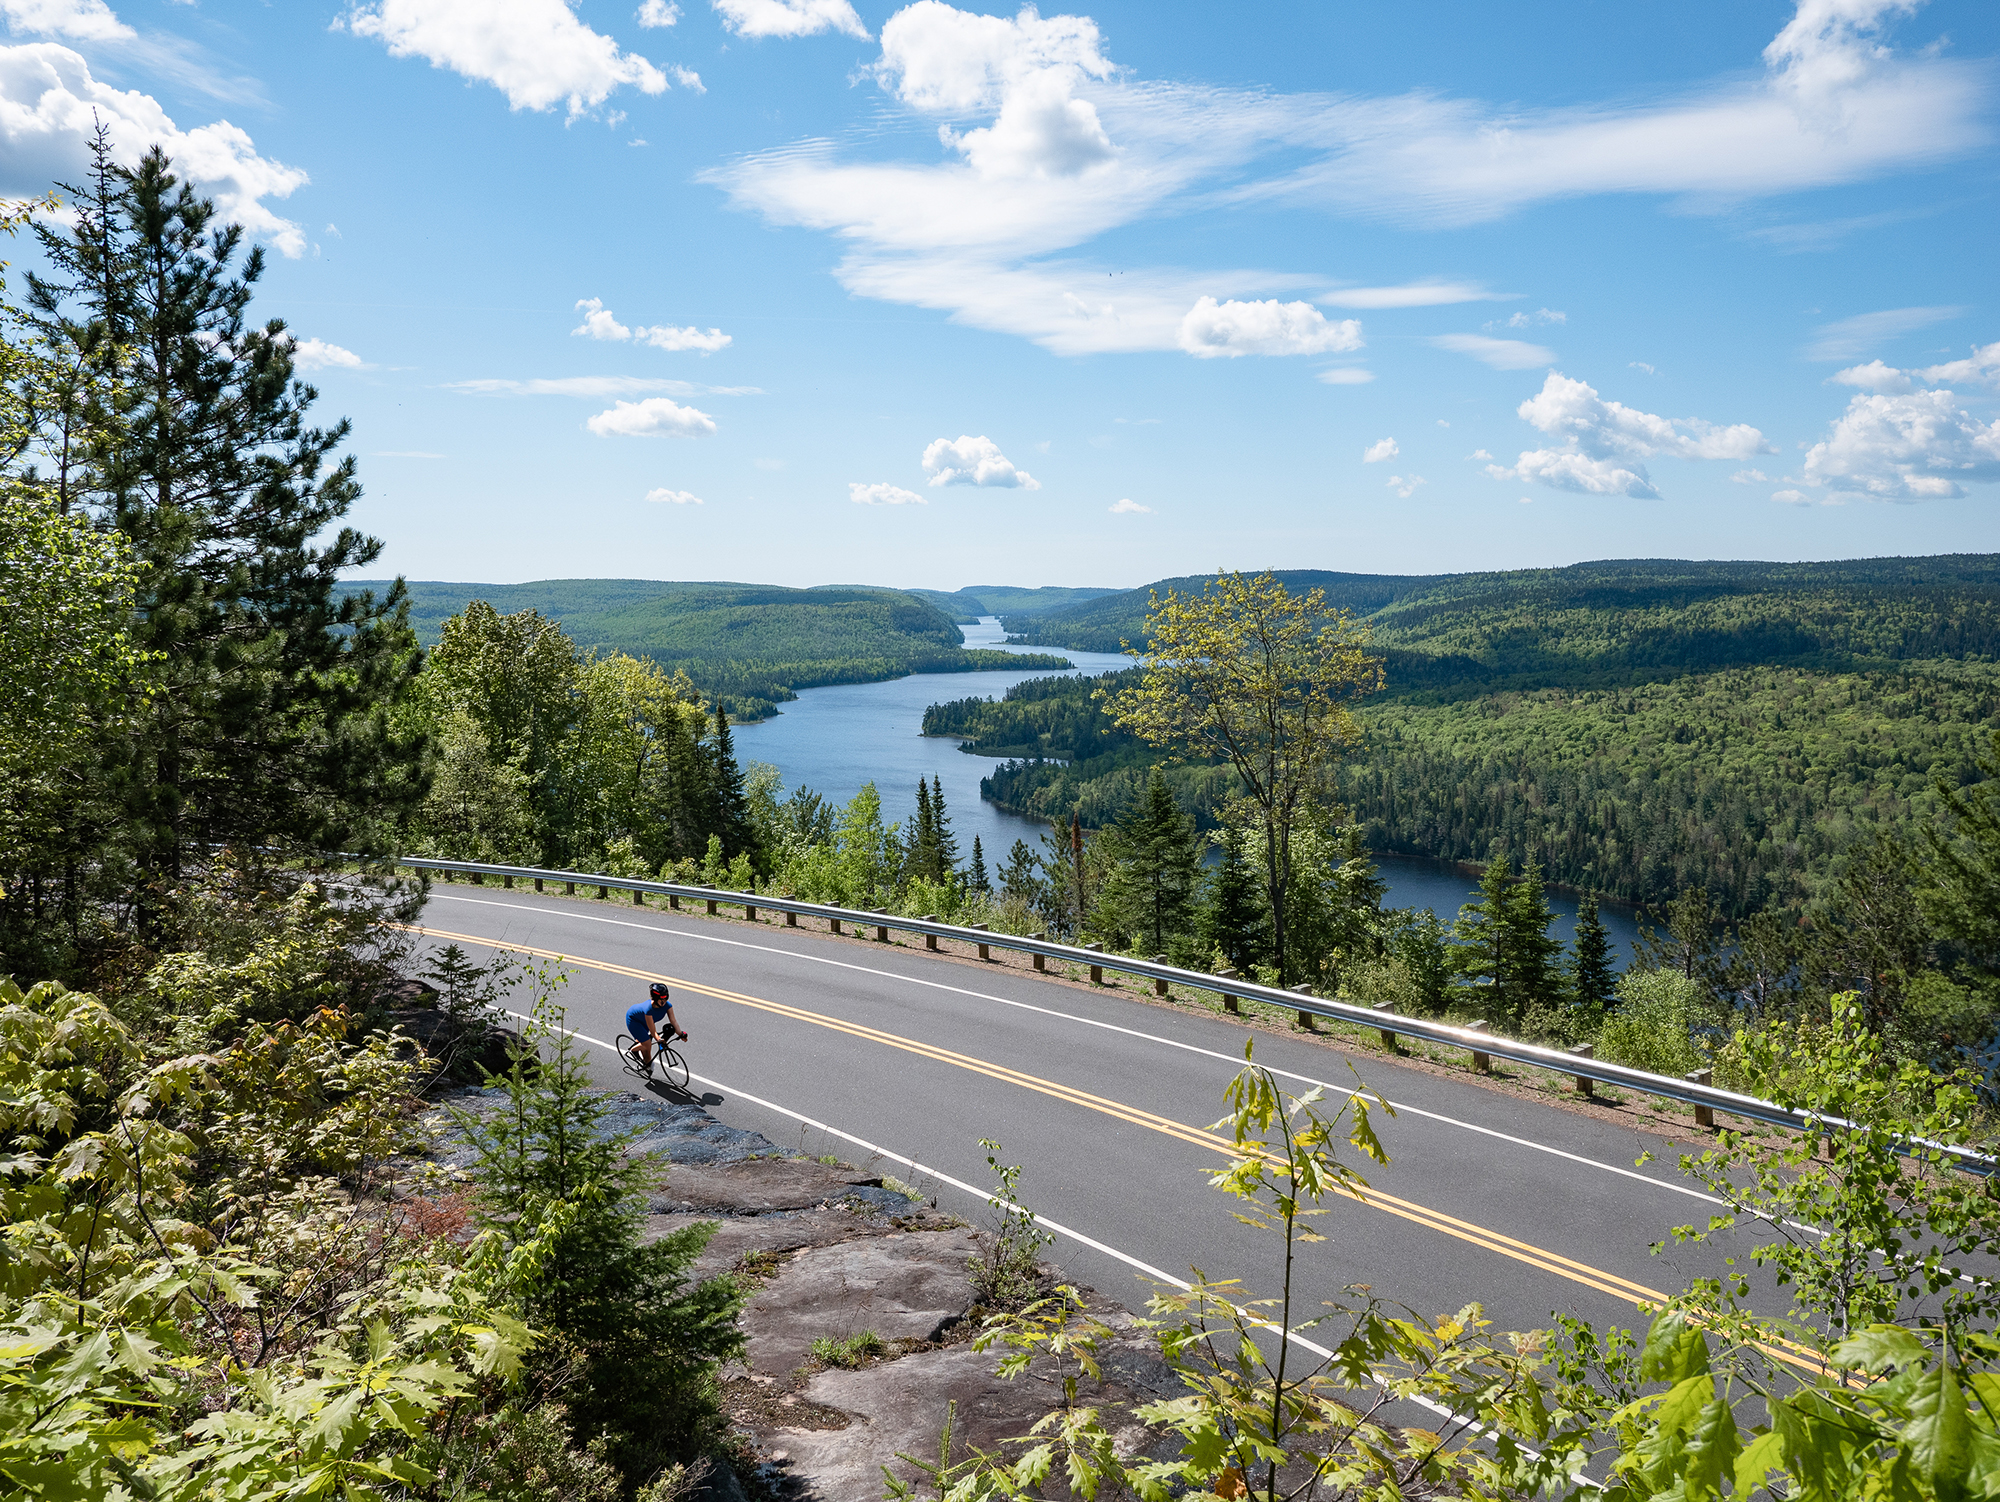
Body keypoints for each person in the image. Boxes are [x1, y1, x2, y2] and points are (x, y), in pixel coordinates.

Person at [625, 981, 687, 1073]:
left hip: (644, 1022)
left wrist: (681, 1034)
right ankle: (632, 1051)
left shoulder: (668, 1006)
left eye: (665, 999)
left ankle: (646, 1064)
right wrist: (658, 1039)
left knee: (646, 1048)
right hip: (634, 1021)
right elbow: (652, 1031)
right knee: (647, 1043)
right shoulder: (648, 1009)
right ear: (655, 998)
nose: (663, 1002)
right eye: (661, 999)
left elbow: (673, 1021)